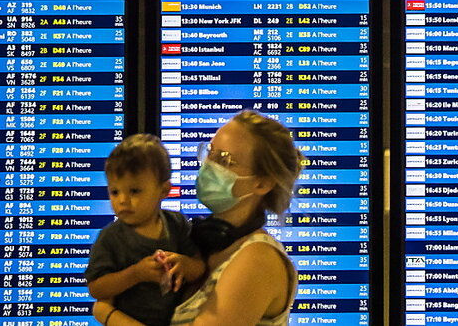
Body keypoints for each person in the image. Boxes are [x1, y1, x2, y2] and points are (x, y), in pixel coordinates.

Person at [92, 110, 305, 326]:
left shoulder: (259, 260)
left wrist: (108, 315)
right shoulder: (199, 243)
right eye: (210, 152)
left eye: (224, 159)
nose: (209, 165)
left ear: (262, 183)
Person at [86, 134, 207, 326]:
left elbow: (199, 268)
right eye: (115, 191)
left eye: (134, 191)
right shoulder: (111, 238)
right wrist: (135, 274)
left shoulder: (176, 224)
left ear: (164, 191)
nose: (123, 200)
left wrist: (184, 265)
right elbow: (96, 289)